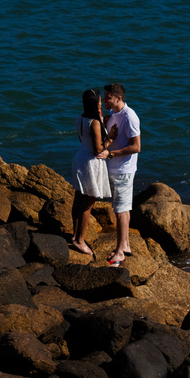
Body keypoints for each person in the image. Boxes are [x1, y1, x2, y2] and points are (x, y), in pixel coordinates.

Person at [98, 82, 140, 265]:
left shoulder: (129, 116)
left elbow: (136, 147)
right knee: (124, 209)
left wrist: (111, 153)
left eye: (107, 97)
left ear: (119, 98)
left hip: (123, 170)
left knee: (120, 211)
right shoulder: (114, 114)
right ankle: (126, 245)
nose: (104, 99)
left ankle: (120, 252)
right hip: (115, 168)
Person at [69, 88, 112, 256]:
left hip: (79, 157)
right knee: (88, 203)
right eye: (100, 102)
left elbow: (84, 139)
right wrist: (110, 139)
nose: (101, 104)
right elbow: (97, 149)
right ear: (95, 104)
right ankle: (80, 240)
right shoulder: (94, 122)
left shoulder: (80, 118)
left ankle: (74, 235)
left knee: (78, 199)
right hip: (91, 163)